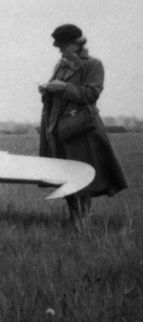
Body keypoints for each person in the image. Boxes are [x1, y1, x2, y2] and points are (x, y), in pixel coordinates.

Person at [39, 24, 128, 227]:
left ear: (76, 43)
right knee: (65, 177)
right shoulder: (60, 65)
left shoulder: (93, 65)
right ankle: (73, 219)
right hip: (58, 129)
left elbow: (90, 95)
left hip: (80, 130)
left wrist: (63, 87)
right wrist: (47, 90)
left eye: (62, 45)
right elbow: (58, 95)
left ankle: (83, 222)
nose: (59, 49)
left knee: (81, 178)